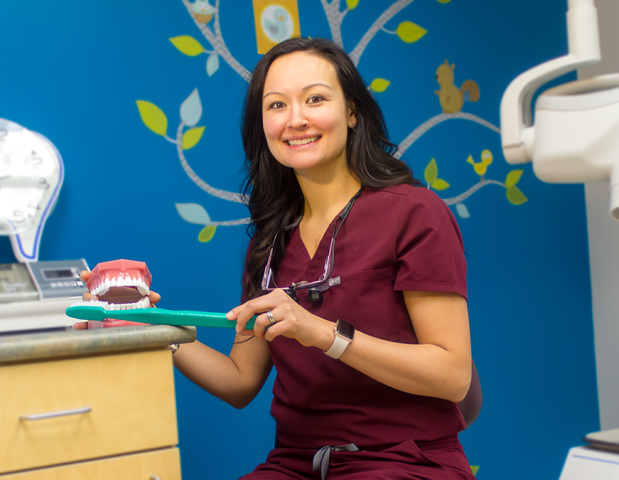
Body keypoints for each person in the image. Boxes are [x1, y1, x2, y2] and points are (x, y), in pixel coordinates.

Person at [82, 37, 477, 479]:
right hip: (297, 465)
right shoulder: (270, 242)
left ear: (352, 112)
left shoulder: (414, 212)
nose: (296, 120)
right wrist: (153, 326)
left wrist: (324, 334)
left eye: (315, 99)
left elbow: (453, 375)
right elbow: (239, 380)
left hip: (403, 460)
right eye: (276, 106)